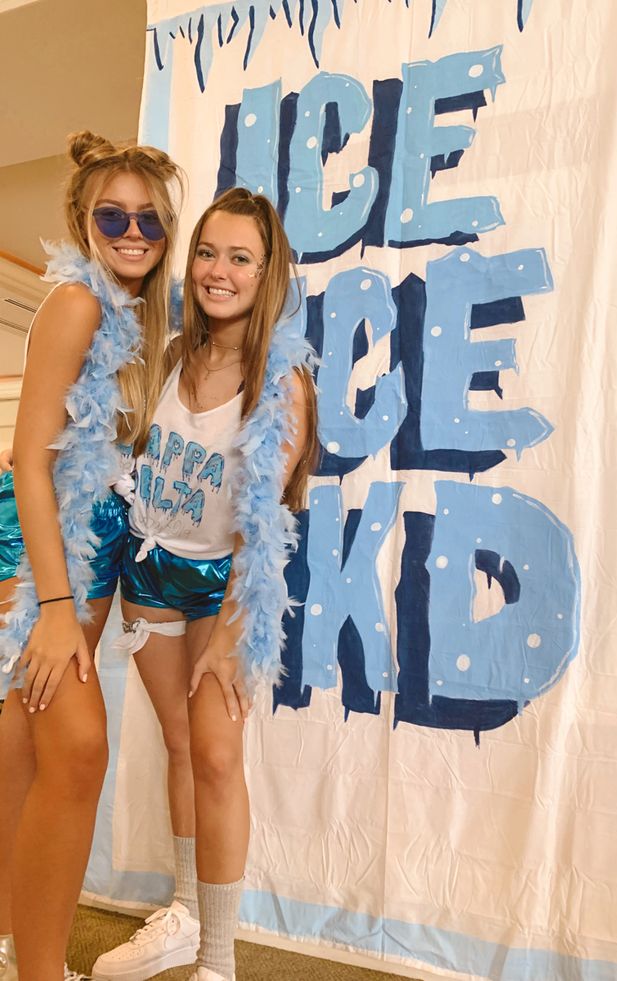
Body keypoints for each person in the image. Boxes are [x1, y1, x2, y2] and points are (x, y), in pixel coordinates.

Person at [90, 187, 317, 981]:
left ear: (268, 273)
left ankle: (217, 963)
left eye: (241, 258)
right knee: (181, 746)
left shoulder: (279, 383)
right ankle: (185, 914)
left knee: (218, 755)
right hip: (151, 572)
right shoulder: (168, 354)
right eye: (209, 253)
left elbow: (261, 529)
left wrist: (227, 634)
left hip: (230, 588)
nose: (219, 271)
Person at [0, 130, 182, 981]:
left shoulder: (139, 316)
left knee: (26, 756)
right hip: (41, 557)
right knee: (76, 750)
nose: (133, 230)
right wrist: (51, 605)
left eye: (149, 217)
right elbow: (31, 459)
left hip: (89, 550)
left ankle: (16, 951)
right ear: (83, 221)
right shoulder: (77, 305)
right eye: (114, 215)